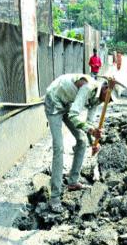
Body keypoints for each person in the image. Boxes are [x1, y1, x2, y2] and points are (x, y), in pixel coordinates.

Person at [44, 74, 115, 213]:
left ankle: (73, 182)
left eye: (111, 101)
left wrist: (94, 142)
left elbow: (89, 122)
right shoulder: (88, 87)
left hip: (66, 103)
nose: (108, 102)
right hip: (54, 100)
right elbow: (74, 115)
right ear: (105, 88)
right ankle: (55, 197)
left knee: (82, 140)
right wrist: (91, 130)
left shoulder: (98, 99)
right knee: (59, 148)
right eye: (109, 97)